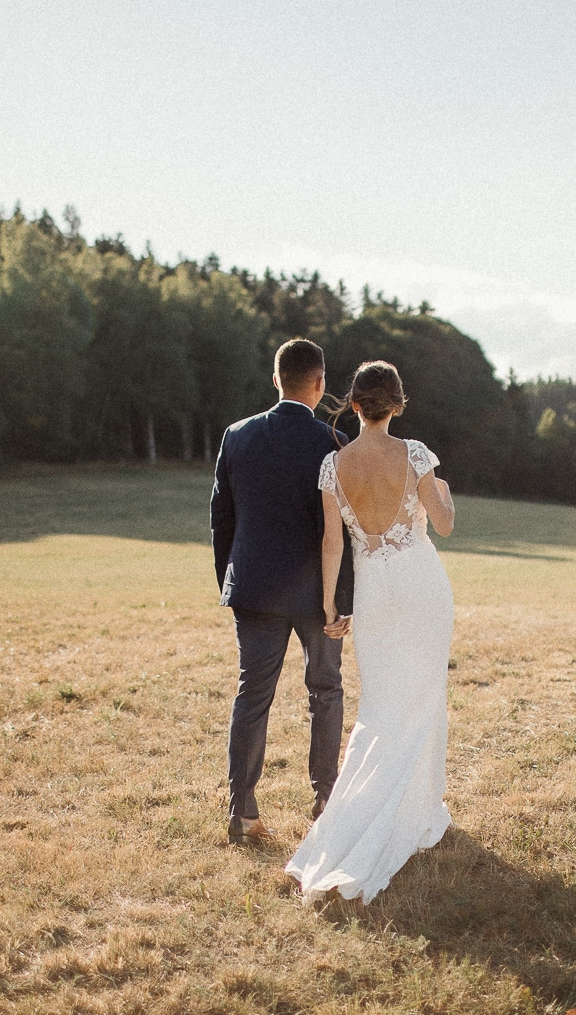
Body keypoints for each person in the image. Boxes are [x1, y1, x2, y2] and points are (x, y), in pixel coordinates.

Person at [285, 360, 456, 904]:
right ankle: (416, 813)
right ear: (398, 405)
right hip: (423, 586)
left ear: (353, 404)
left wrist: (332, 601)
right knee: (423, 699)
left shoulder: (333, 467)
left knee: (380, 708)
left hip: (376, 592)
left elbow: (332, 544)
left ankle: (383, 812)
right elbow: (445, 523)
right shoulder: (417, 454)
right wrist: (443, 493)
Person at [211, 339, 354, 846]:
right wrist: (344, 600)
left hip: (253, 590)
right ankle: (325, 799)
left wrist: (230, 580)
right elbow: (343, 531)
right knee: (326, 689)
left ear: (275, 380)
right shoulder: (333, 443)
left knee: (253, 694)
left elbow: (221, 518)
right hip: (318, 595)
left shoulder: (237, 436)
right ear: (319, 384)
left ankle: (242, 810)